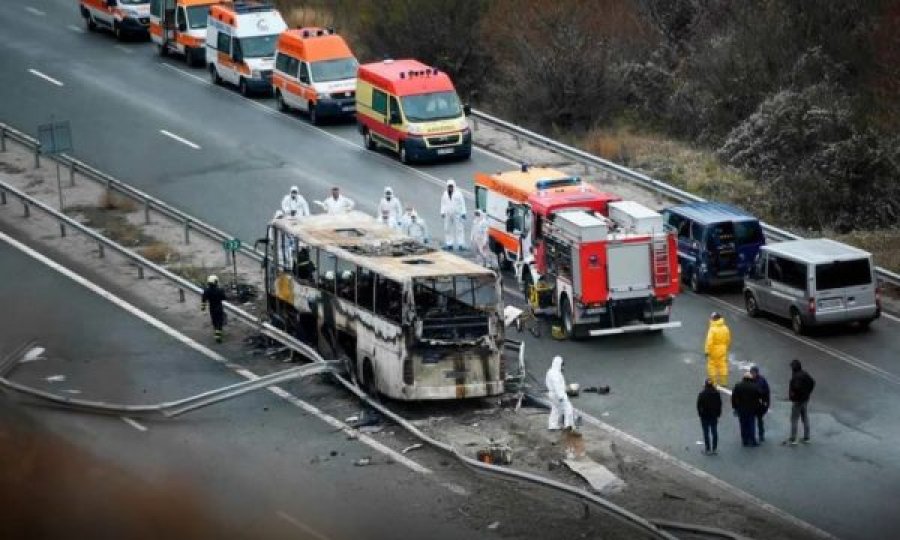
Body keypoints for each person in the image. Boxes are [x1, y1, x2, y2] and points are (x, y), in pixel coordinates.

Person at [784, 359, 816, 445]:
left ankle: (793, 438)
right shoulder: (804, 373)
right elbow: (813, 382)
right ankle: (806, 437)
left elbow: (796, 388)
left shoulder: (796, 376)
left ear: (794, 368)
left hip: (797, 401)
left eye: (792, 367)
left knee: (794, 419)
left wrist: (794, 395)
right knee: (805, 417)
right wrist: (808, 393)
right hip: (805, 400)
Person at [732, 371, 762, 447]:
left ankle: (744, 440)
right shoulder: (754, 386)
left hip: (741, 409)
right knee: (751, 424)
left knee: (743, 424)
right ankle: (752, 440)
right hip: (751, 409)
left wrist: (735, 407)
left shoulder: (738, 386)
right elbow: (759, 396)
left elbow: (734, 398)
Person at [545, 356, 575, 431]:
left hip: (552, 394)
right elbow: (557, 386)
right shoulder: (556, 374)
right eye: (562, 365)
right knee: (568, 408)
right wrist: (561, 397)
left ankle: (552, 425)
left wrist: (566, 388)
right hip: (558, 395)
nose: (563, 367)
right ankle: (568, 425)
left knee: (555, 409)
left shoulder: (550, 371)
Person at [704, 312, 731, 387]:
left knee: (712, 366)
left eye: (712, 318)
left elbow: (709, 342)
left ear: (715, 319)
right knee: (723, 365)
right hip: (723, 349)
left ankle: (713, 382)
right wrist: (726, 348)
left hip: (713, 350)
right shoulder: (725, 328)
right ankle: (724, 382)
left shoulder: (712, 329)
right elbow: (728, 339)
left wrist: (707, 351)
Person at [696, 379, 722, 455]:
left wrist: (700, 414)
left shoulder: (702, 394)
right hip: (714, 415)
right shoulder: (716, 393)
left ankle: (707, 449)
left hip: (705, 416)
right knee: (714, 432)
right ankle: (714, 448)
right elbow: (719, 404)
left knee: (706, 432)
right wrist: (718, 414)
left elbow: (698, 405)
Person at [440, 179, 466, 250]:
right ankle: (449, 244)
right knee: (447, 229)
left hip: (457, 214)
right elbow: (443, 203)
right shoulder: (445, 194)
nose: (450, 188)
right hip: (448, 214)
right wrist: (442, 212)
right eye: (449, 186)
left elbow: (462, 203)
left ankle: (461, 244)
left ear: (454, 186)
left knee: (459, 229)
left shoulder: (458, 194)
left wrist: (463, 212)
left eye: (451, 186)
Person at [200, 275, 226, 343]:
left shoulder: (206, 291)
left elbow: (203, 300)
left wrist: (203, 307)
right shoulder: (220, 290)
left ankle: (216, 333)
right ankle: (218, 336)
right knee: (219, 322)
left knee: (214, 321)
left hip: (212, 308)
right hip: (219, 307)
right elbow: (224, 298)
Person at [750, 365, 771, 442]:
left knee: (759, 420)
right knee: (753, 420)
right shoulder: (753, 380)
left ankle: (761, 435)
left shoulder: (761, 380)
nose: (752, 374)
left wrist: (766, 403)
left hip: (759, 404)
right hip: (753, 404)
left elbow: (766, 392)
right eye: (751, 373)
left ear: (756, 373)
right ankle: (753, 435)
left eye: (753, 373)